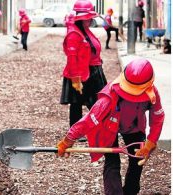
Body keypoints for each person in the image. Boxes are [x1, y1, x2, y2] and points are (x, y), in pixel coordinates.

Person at [57, 58, 165, 195]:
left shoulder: (152, 93)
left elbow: (158, 117)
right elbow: (88, 121)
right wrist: (68, 140)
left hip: (134, 126)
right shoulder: (110, 96)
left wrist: (151, 142)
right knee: (112, 161)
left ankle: (130, 191)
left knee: (137, 159)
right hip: (109, 126)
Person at [60, 0, 107, 131]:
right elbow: (72, 58)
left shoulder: (85, 30)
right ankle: (77, 130)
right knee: (78, 103)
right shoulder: (74, 34)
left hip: (93, 71)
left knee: (97, 102)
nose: (90, 20)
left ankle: (99, 127)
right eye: (88, 18)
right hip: (82, 74)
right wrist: (75, 79)